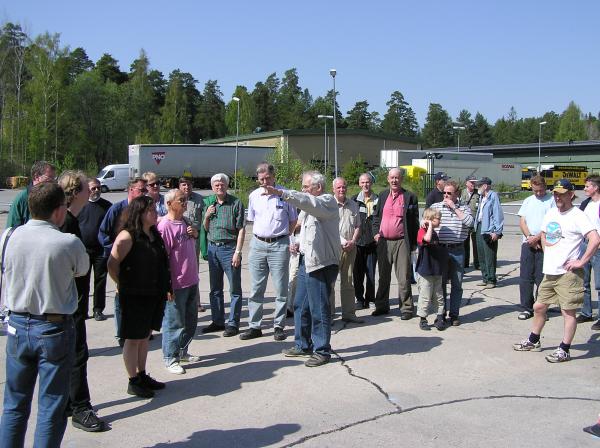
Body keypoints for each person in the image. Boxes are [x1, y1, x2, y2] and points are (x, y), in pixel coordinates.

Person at [0, 182, 88, 447]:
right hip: (53, 329)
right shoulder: (66, 242)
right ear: (58, 211)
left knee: (14, 403)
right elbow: (82, 269)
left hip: (16, 324)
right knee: (51, 405)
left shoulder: (9, 236)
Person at [513, 179, 599, 363]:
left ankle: (564, 349)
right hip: (550, 271)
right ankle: (533, 340)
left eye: (561, 193)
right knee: (539, 306)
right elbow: (544, 233)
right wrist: (547, 250)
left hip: (568, 274)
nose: (558, 197)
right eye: (555, 193)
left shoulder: (578, 215)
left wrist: (581, 261)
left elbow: (594, 239)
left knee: (568, 312)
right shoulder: (552, 212)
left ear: (571, 194)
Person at [263, 171, 340, 367]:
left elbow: (308, 202)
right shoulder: (308, 207)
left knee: (319, 309)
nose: (303, 190)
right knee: (300, 305)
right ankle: (302, 344)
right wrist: (297, 243)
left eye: (306, 187)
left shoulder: (327, 201)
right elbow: (306, 231)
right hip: (307, 261)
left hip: (322, 264)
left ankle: (322, 350)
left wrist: (283, 193)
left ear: (318, 187)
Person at [58, 171, 107, 432]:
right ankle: (80, 407)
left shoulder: (69, 219)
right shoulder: (66, 223)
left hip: (71, 299)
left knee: (70, 354)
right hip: (68, 303)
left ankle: (68, 401)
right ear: (76, 192)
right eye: (87, 188)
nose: (92, 191)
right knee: (77, 353)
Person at [107, 196, 171, 397]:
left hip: (153, 293)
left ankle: (142, 374)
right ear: (140, 213)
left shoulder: (153, 234)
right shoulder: (128, 236)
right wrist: (122, 284)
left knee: (144, 337)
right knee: (133, 339)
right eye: (151, 210)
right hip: (134, 295)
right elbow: (112, 264)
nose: (155, 213)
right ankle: (132, 380)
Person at [240, 163, 297, 341]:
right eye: (261, 179)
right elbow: (252, 220)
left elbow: (293, 221)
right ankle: (254, 326)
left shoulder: (284, 195)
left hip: (279, 245)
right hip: (257, 244)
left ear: (274, 177)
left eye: (268, 178)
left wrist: (283, 236)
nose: (265, 181)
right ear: (258, 179)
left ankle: (279, 325)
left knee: (281, 288)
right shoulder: (254, 196)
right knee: (256, 288)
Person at [99, 177, 148, 346]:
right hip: (121, 260)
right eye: (141, 190)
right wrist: (115, 253)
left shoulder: (143, 210)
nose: (144, 193)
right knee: (122, 297)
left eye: (145, 190)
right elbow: (103, 234)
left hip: (139, 261)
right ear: (131, 190)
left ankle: (140, 330)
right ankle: (122, 333)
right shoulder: (116, 209)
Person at [158, 189, 201, 374]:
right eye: (181, 200)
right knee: (174, 323)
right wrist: (167, 285)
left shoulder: (185, 221)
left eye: (185, 200)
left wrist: (195, 233)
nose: (185, 203)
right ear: (169, 204)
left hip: (191, 279)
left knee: (190, 321)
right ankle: (170, 358)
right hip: (176, 283)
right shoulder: (165, 226)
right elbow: (162, 258)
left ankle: (182, 351)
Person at [372, 168, 419, 319]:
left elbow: (414, 221)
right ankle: (382, 306)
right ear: (388, 179)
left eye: (397, 178)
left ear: (401, 179)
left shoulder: (409, 197)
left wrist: (413, 243)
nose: (394, 181)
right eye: (392, 178)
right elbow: (376, 217)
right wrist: (376, 234)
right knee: (383, 277)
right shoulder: (383, 195)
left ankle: (406, 309)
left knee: (404, 277)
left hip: (401, 242)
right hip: (384, 242)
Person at [202, 174, 246, 337]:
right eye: (216, 185)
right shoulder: (210, 204)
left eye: (222, 184)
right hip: (213, 249)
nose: (219, 187)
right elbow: (206, 228)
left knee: (234, 288)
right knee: (215, 289)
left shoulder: (235, 203)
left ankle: (233, 323)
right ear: (212, 187)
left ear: (227, 186)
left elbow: (241, 229)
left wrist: (238, 252)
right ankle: (217, 321)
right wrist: (207, 216)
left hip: (229, 249)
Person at [430, 179, 473, 326]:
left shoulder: (464, 208)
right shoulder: (436, 207)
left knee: (457, 283)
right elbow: (425, 223)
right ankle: (440, 314)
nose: (446, 196)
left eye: (449, 193)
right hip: (440, 249)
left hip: (458, 250)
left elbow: (470, 223)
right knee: (440, 285)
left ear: (457, 194)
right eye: (444, 193)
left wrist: (454, 208)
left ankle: (454, 314)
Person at [517, 175, 555, 320]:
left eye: (540, 190)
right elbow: (522, 221)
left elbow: (552, 224)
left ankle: (541, 308)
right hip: (528, 243)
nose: (538, 193)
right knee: (526, 277)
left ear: (545, 187)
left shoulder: (551, 200)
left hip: (544, 244)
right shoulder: (528, 201)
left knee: (542, 278)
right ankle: (526, 307)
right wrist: (530, 238)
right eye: (535, 191)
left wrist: (538, 237)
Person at [77, 178, 112, 321]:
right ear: (87, 190)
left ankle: (98, 309)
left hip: (100, 250)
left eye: (98, 188)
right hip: (83, 250)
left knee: (100, 281)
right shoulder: (80, 206)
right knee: (82, 282)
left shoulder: (107, 206)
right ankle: (82, 310)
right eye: (93, 188)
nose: (96, 191)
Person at [331, 177, 363, 323]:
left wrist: (353, 241)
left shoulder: (353, 205)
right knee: (329, 282)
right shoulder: (328, 205)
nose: (342, 190)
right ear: (333, 189)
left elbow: (358, 226)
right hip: (332, 249)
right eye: (338, 188)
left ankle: (349, 313)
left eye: (344, 187)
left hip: (350, 248)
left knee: (348, 282)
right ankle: (329, 315)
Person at [415, 208, 448, 331]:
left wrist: (430, 226)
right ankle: (423, 319)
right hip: (425, 269)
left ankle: (439, 317)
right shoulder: (422, 231)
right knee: (425, 295)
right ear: (430, 220)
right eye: (437, 219)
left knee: (438, 295)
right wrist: (428, 225)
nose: (440, 221)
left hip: (436, 269)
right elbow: (426, 240)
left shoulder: (434, 232)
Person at [576, 174, 600, 330]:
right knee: (583, 281)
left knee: (599, 284)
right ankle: (586, 312)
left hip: (598, 247)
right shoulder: (585, 203)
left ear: (596, 187)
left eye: (587, 186)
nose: (584, 188)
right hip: (585, 245)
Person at [179, 177, 206, 313]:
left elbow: (204, 220)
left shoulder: (199, 199)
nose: (186, 187)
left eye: (189, 184)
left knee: (193, 271)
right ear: (179, 186)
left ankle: (196, 302)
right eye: (183, 185)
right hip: (178, 240)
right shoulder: (174, 198)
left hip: (194, 239)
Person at [352, 173, 379, 310]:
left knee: (371, 274)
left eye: (367, 182)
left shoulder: (378, 200)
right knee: (358, 274)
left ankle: (371, 299)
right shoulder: (354, 200)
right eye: (362, 182)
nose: (365, 185)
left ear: (371, 183)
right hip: (357, 243)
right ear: (359, 184)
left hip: (372, 243)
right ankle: (359, 299)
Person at [6, 160, 56, 229]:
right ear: (36, 176)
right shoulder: (22, 198)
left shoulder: (54, 197)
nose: (53, 182)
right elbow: (10, 231)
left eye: (54, 178)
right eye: (50, 177)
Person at [474, 177, 504, 288]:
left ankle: (491, 279)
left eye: (479, 185)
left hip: (489, 229)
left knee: (489, 255)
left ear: (485, 186)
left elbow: (497, 214)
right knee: (481, 254)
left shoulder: (493, 196)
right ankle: (485, 277)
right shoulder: (482, 197)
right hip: (480, 226)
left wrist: (497, 231)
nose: (477, 188)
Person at [460, 175, 480, 269]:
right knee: (465, 244)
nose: (473, 184)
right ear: (466, 183)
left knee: (476, 244)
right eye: (471, 182)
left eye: (474, 182)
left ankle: (477, 263)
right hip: (464, 222)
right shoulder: (461, 193)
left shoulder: (478, 193)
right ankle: (465, 263)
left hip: (475, 222)